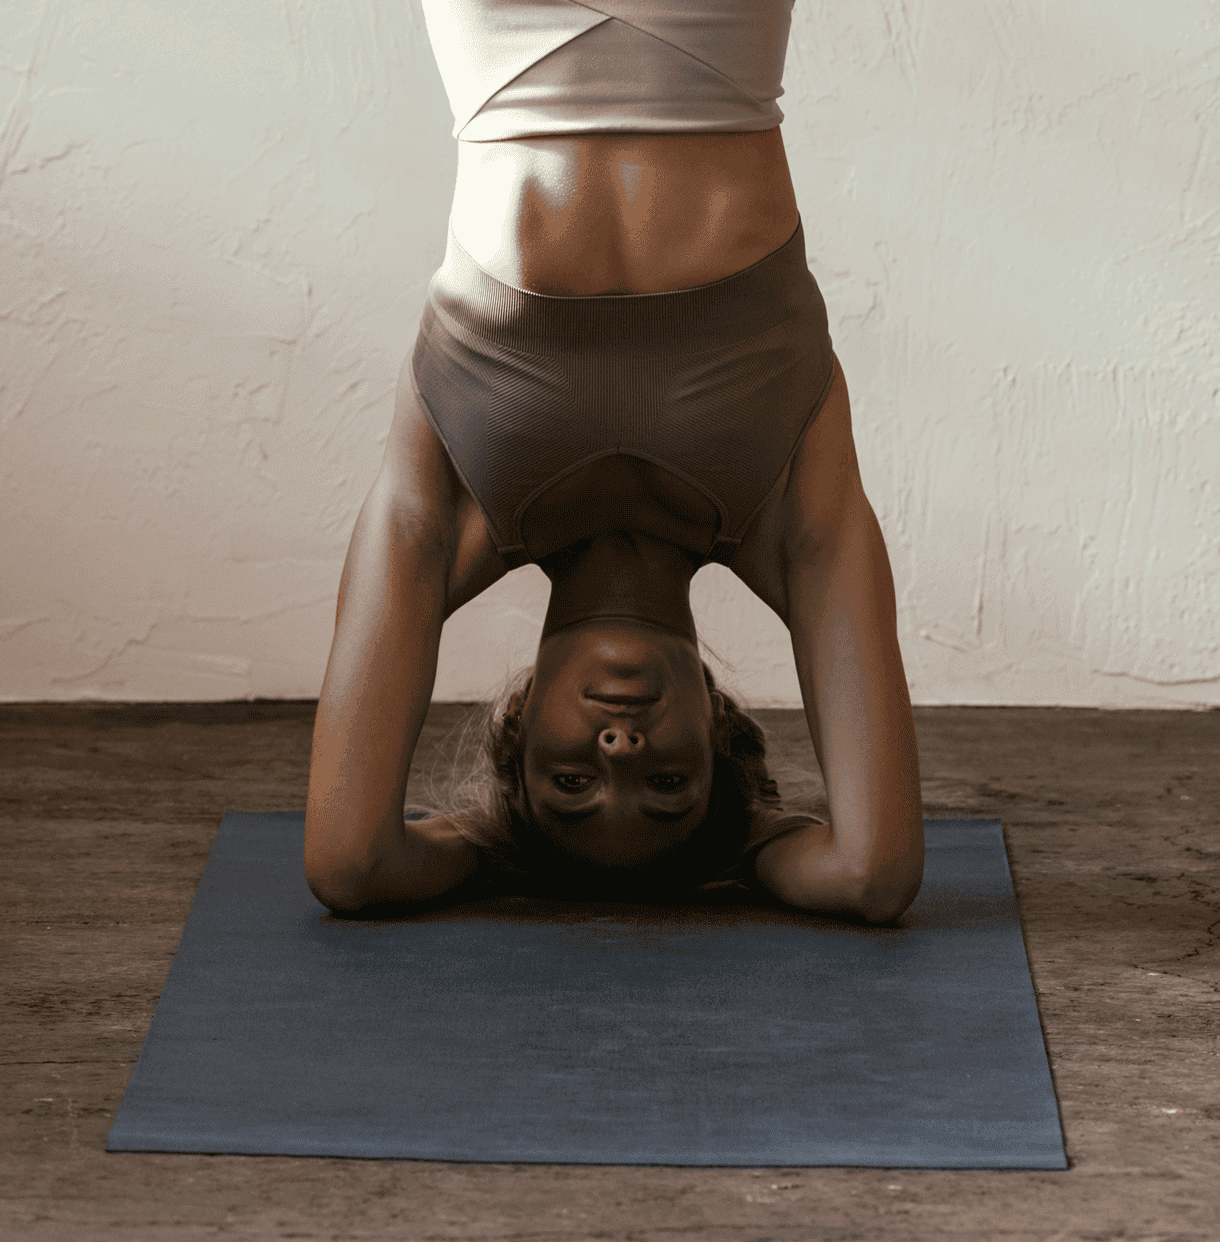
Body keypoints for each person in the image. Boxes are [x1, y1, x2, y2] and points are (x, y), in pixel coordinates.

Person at [304, 0, 922, 921]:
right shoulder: (786, 519)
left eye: (568, 788)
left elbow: (350, 867)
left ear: (516, 745)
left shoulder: (457, 517)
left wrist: (492, 840)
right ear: (720, 739)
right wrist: (745, 843)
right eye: (671, 788)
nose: (620, 755)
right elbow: (870, 876)